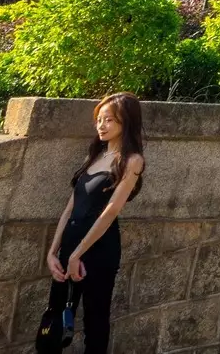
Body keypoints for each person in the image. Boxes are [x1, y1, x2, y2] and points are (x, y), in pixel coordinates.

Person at [37, 93, 145, 354]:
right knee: (56, 316)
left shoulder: (131, 160)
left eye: (109, 119)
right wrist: (53, 253)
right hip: (71, 246)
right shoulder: (94, 156)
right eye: (99, 119)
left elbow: (110, 212)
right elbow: (68, 210)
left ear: (126, 122)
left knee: (95, 320)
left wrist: (78, 254)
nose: (102, 125)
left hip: (99, 250)